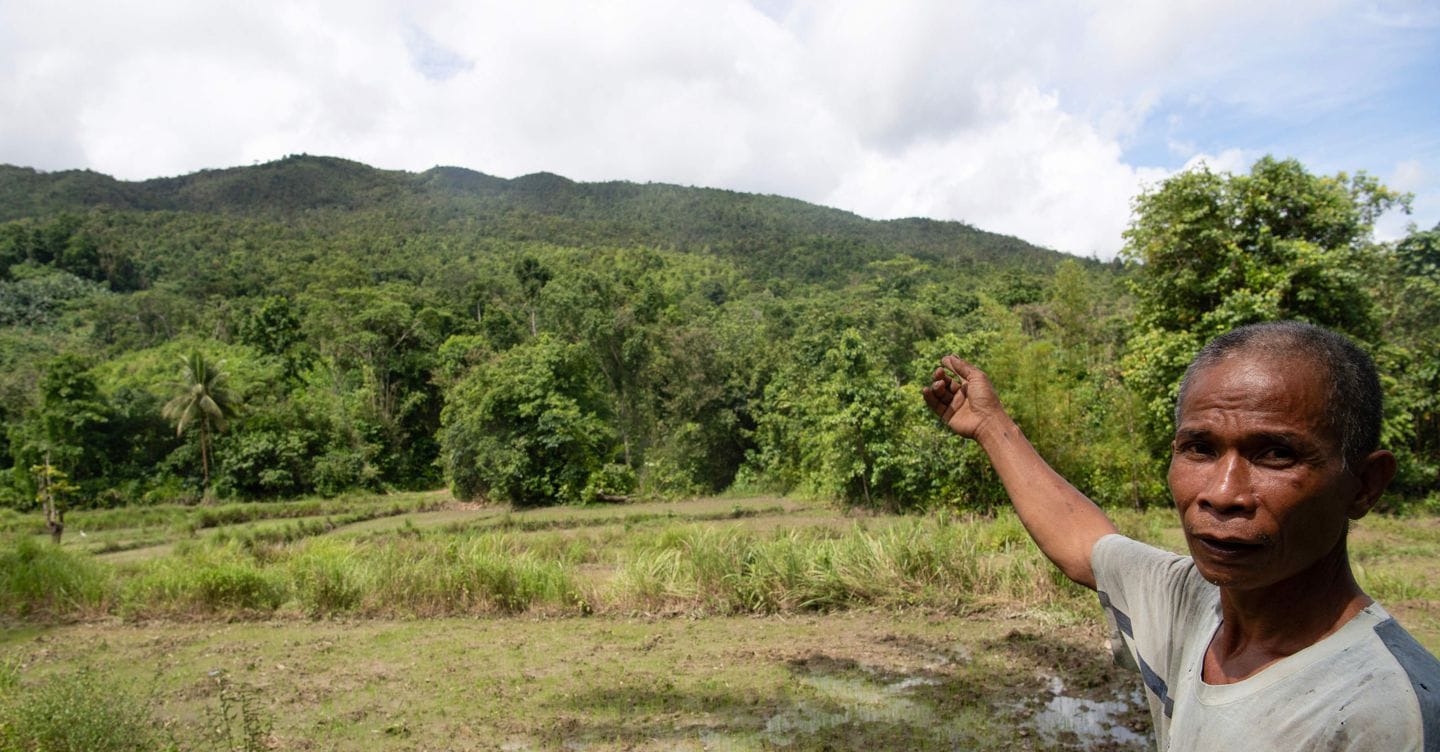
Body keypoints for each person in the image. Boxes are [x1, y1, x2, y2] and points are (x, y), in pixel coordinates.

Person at [922, 321, 1440, 751]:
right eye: (1199, 448)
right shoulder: (1190, 601)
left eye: (1276, 454)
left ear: (1365, 485)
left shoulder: (1389, 715)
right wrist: (990, 425)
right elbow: (1084, 545)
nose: (1222, 492)